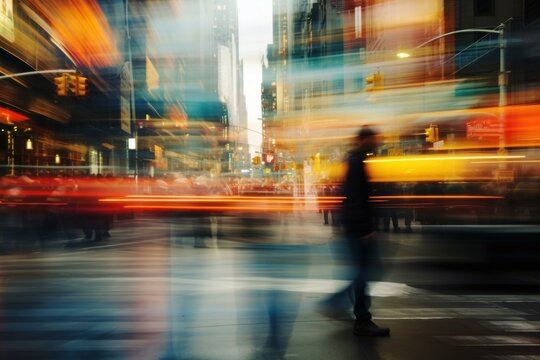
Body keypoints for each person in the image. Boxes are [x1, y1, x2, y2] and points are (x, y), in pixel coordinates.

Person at [319, 125, 390, 337]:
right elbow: (356, 198)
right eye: (375, 140)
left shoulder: (357, 160)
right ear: (364, 140)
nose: (377, 144)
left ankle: (346, 307)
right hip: (358, 228)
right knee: (366, 271)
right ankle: (360, 317)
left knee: (366, 271)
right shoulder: (356, 162)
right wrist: (366, 228)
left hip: (355, 226)